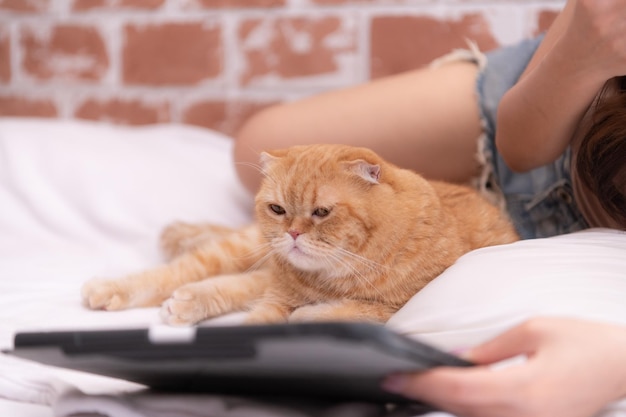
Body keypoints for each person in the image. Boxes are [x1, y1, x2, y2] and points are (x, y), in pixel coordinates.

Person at [232, 0, 626, 415]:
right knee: (257, 142)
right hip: (559, 109)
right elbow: (520, 148)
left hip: (580, 196)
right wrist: (584, 50)